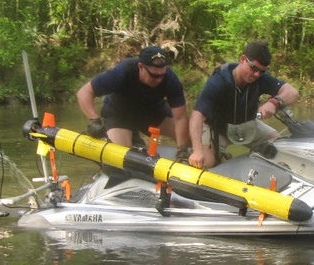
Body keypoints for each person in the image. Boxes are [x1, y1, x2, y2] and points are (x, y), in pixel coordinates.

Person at [188, 40, 299, 169]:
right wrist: (197, 150)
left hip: (247, 125)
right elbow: (197, 116)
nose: (257, 74)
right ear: (242, 59)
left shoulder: (260, 78)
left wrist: (274, 102)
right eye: (254, 68)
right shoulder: (218, 81)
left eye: (262, 71)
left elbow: (293, 92)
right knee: (204, 163)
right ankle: (222, 157)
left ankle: (258, 160)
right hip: (217, 129)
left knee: (281, 148)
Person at [77, 46, 190, 160]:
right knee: (120, 157)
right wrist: (94, 120)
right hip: (119, 112)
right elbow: (84, 92)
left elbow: (180, 118)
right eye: (154, 75)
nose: (159, 79)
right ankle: (130, 145)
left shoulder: (170, 79)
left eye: (162, 75)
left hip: (152, 110)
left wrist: (182, 150)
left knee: (190, 138)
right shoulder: (123, 71)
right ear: (140, 67)